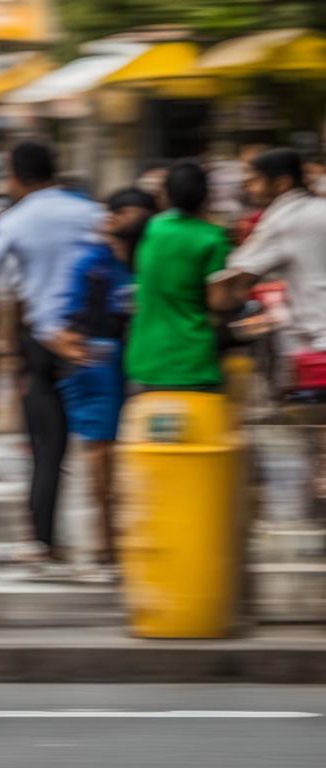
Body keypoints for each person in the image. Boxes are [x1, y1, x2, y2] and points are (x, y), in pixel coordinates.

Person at [0, 140, 103, 565]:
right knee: (100, 440)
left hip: (39, 342)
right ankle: (106, 539)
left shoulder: (14, 220)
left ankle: (46, 539)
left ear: (15, 177)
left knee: (46, 446)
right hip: (90, 337)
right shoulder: (90, 212)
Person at [56, 188, 157, 571]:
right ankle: (107, 540)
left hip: (136, 365)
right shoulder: (93, 264)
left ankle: (120, 537)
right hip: (101, 366)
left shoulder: (141, 260)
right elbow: (72, 321)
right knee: (101, 456)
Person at [209, 148, 326, 358]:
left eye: (256, 180)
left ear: (282, 183)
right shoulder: (320, 207)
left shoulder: (282, 219)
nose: (249, 187)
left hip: (316, 345)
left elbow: (235, 277)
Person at [126, 160, 231, 392]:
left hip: (146, 361)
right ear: (206, 197)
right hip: (193, 364)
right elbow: (219, 301)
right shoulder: (212, 238)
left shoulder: (150, 230)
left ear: (165, 196)